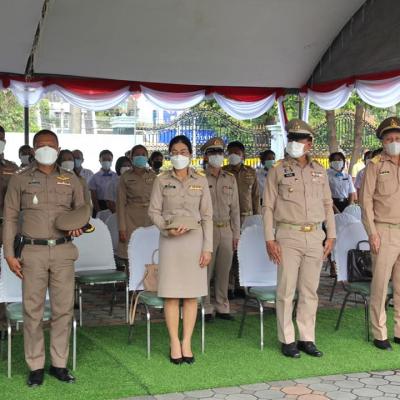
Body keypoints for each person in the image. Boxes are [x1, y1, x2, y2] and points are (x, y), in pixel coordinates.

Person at [3, 129, 84, 386]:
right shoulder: (19, 179)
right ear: (33, 149)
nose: (46, 149)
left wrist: (79, 226)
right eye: (41, 145)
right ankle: (35, 366)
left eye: (51, 145)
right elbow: (10, 218)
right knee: (33, 311)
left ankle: (59, 364)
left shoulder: (71, 179)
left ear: (58, 149)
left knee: (63, 310)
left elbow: (83, 211)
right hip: (32, 252)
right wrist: (8, 253)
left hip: (63, 251)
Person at [263, 119, 335, 358]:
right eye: (291, 139)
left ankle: (307, 337)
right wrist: (269, 238)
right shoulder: (278, 169)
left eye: (299, 139)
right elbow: (268, 207)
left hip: (314, 235)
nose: (294, 143)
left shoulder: (320, 170)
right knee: (286, 290)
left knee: (309, 290)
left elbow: (328, 204)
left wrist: (331, 235)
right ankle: (287, 339)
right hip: (288, 235)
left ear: (309, 143)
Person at [148, 135, 212, 365]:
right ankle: (174, 342)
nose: (179, 155)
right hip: (171, 242)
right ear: (169, 155)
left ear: (190, 154)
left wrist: (207, 248)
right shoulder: (161, 180)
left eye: (183, 151)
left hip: (195, 241)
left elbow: (207, 216)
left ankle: (187, 342)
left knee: (191, 295)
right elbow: (153, 211)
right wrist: (167, 229)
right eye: (174, 152)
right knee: (172, 294)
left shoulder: (201, 180)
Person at [360, 117, 400, 351]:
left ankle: (399, 331)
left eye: (397, 138)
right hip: (384, 231)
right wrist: (372, 232)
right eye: (389, 139)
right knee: (381, 285)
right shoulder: (374, 165)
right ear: (382, 142)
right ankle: (380, 332)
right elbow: (365, 202)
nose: (394, 142)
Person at [201, 138, 240, 322]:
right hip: (207, 229)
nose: (217, 156)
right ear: (206, 156)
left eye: (219, 152)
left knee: (224, 270)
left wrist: (236, 234)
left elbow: (236, 209)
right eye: (212, 152)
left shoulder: (230, 178)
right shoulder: (199, 178)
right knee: (205, 271)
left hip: (226, 229)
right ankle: (206, 307)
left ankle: (222, 305)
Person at [223, 141, 260, 297]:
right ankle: (229, 286)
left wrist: (257, 217)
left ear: (243, 155)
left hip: (247, 217)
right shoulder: (223, 172)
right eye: (231, 152)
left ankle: (241, 284)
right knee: (229, 251)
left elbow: (256, 196)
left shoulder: (250, 172)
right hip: (228, 217)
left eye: (237, 153)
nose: (234, 155)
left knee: (244, 251)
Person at [116, 146, 155, 260]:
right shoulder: (125, 177)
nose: (140, 157)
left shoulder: (153, 176)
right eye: (137, 154)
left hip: (150, 218)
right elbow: (120, 203)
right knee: (131, 252)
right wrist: (122, 228)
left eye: (143, 155)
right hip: (130, 219)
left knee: (150, 253)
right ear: (131, 157)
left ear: (147, 157)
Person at [0, 126, 19, 338]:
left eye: (2, 138)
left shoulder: (12, 168)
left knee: (4, 273)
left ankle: (4, 321)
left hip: (5, 227)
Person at [89, 150, 117, 216]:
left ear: (112, 161)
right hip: (99, 205)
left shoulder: (116, 176)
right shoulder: (94, 177)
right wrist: (98, 210)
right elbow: (93, 197)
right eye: (104, 159)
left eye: (109, 159)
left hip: (114, 205)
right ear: (100, 160)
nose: (106, 161)